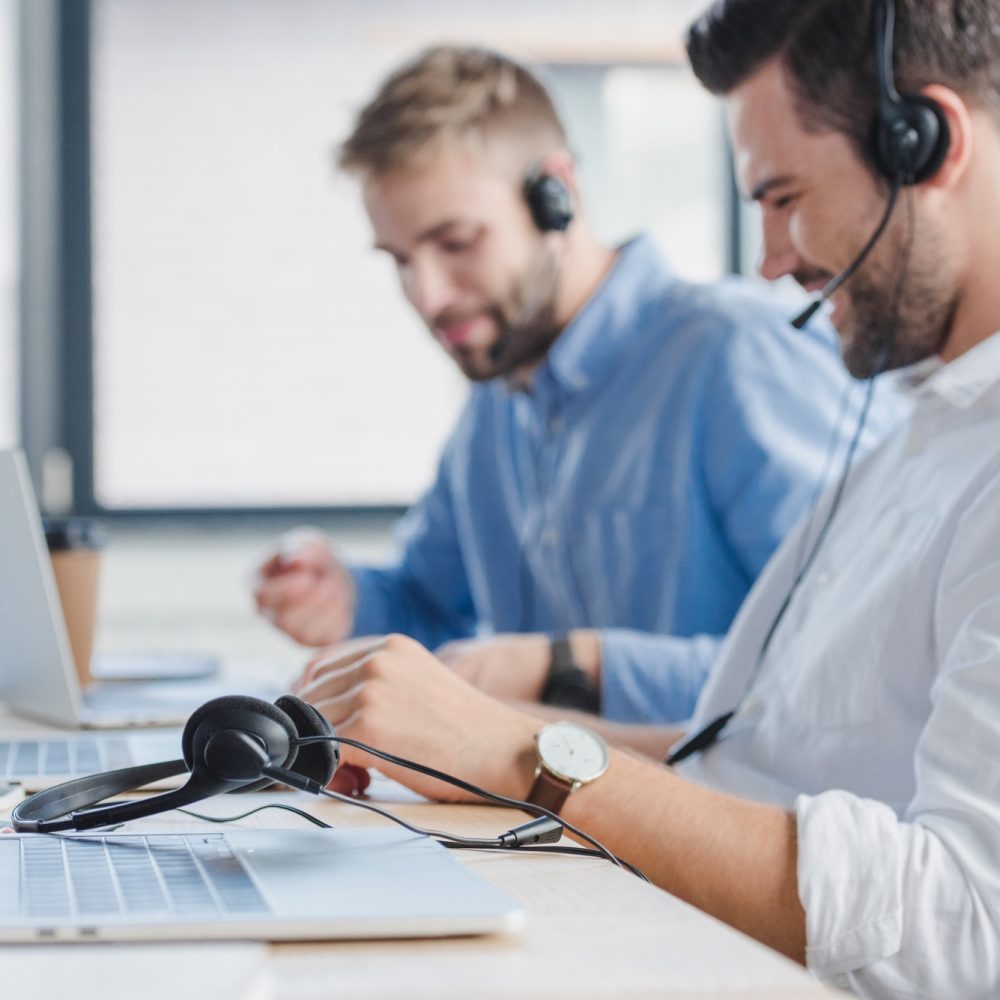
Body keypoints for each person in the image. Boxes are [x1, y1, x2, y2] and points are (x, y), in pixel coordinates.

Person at [289, 2, 1000, 997]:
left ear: (924, 144)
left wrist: (512, 742)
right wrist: (442, 737)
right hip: (654, 925)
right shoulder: (918, 434)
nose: (768, 260)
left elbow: (968, 928)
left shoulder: (776, 374)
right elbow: (748, 751)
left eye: (785, 195)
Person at [255, 45, 899, 726]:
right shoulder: (493, 410)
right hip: (534, 827)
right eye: (400, 261)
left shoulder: (738, 356)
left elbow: (855, 660)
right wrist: (344, 596)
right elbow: (429, 609)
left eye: (456, 243)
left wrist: (569, 667)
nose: (428, 295)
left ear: (554, 194)